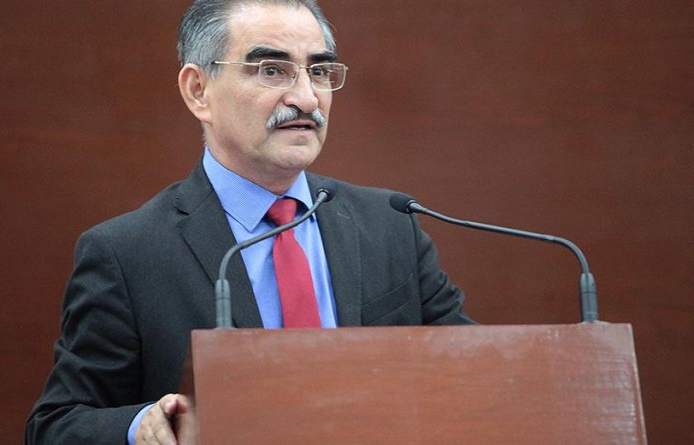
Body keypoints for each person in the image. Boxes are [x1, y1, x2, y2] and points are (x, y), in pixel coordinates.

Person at [26, 0, 474, 444]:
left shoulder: (390, 225)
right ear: (198, 90)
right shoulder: (127, 253)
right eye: (272, 70)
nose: (306, 98)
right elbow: (56, 425)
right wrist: (141, 425)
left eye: (319, 71)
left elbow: (473, 377)